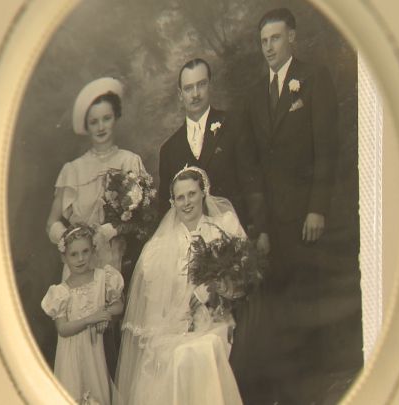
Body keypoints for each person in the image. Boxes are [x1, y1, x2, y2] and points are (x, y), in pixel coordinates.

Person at [238, 7, 340, 404]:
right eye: (263, 42)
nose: (269, 48)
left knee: (307, 306)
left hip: (305, 219)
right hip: (272, 225)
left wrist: (318, 207)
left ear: (292, 38)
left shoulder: (313, 80)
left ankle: (312, 392)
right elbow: (251, 166)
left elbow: (327, 149)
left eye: (276, 39)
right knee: (277, 311)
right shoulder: (253, 94)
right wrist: (259, 226)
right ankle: (285, 392)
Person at [45, 77, 149, 376]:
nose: (101, 127)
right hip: (79, 266)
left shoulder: (130, 162)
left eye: (106, 118)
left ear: (115, 118)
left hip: (116, 261)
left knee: (114, 342)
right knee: (82, 350)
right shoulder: (73, 170)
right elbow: (52, 222)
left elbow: (140, 217)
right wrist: (70, 239)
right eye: (94, 122)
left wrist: (111, 230)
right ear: (86, 127)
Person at [116, 167, 245, 405]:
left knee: (203, 349)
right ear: (172, 202)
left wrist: (213, 288)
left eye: (192, 194)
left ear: (204, 193)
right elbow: (155, 307)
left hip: (215, 320)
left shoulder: (222, 229)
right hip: (171, 327)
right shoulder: (158, 247)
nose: (187, 203)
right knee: (176, 355)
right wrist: (174, 322)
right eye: (180, 197)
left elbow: (239, 285)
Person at [157, 58, 267, 244]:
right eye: (188, 88)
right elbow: (165, 208)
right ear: (180, 94)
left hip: (236, 235)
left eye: (201, 85)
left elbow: (252, 182)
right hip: (190, 244)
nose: (195, 94)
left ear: (210, 85)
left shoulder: (234, 125)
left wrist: (262, 230)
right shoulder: (169, 149)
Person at [41, 223, 124, 405]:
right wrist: (92, 319)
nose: (80, 259)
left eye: (85, 252)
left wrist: (105, 313)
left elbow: (118, 305)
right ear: (64, 257)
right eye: (74, 254)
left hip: (94, 352)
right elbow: (63, 328)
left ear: (94, 251)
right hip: (70, 356)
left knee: (98, 395)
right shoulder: (61, 292)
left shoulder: (104, 278)